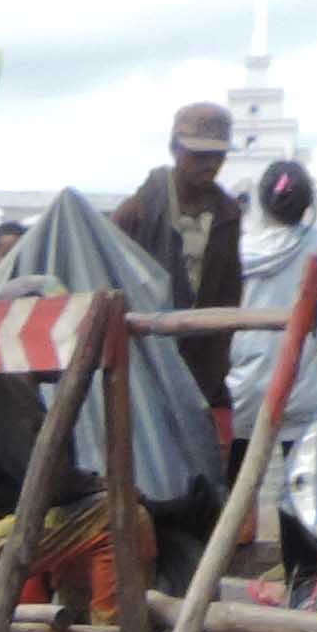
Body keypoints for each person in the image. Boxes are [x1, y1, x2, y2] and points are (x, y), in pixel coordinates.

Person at [114, 101, 244, 407]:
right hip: (141, 364)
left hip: (201, 368)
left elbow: (229, 294)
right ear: (175, 149)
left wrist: (214, 373)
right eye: (199, 154)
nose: (210, 164)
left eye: (218, 155)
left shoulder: (228, 215)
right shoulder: (137, 212)